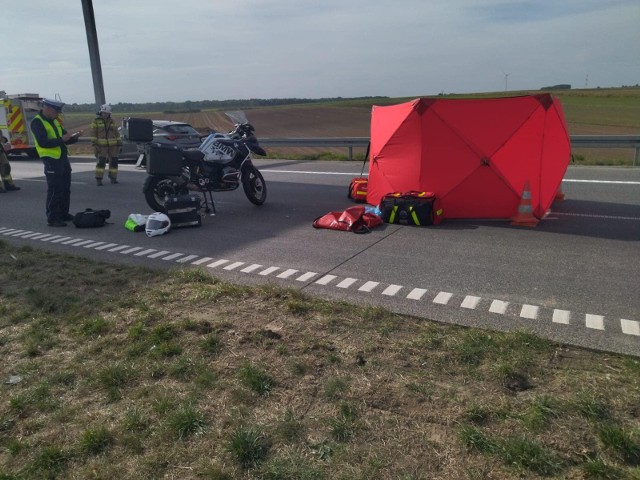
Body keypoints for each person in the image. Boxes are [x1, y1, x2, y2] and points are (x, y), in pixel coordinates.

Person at [30, 98, 80, 227]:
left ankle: (63, 213)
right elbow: (43, 142)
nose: (58, 114)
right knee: (55, 189)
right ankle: (53, 218)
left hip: (62, 158)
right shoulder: (37, 122)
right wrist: (61, 139)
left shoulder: (55, 121)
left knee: (65, 189)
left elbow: (64, 139)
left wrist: (73, 138)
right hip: (51, 159)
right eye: (56, 112)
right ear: (48, 109)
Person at [91, 104, 121, 186]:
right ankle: (99, 179)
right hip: (101, 146)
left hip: (113, 146)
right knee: (101, 163)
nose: (106, 114)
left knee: (114, 162)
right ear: (101, 113)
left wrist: (119, 143)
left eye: (107, 113)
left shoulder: (112, 121)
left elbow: (116, 133)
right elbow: (93, 134)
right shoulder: (96, 121)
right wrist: (95, 145)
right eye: (104, 113)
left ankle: (113, 178)